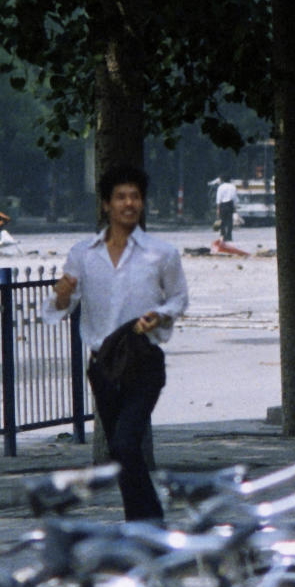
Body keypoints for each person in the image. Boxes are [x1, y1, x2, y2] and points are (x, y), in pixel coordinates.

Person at [43, 166, 189, 522]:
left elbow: (179, 299)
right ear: (106, 204)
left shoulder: (162, 253)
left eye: (135, 196)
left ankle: (151, 523)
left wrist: (160, 315)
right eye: (121, 197)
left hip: (144, 362)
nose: (129, 203)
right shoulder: (83, 254)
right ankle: (139, 525)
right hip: (103, 366)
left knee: (126, 442)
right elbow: (60, 308)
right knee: (120, 453)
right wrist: (61, 296)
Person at [215, 174, 238, 242]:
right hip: (230, 204)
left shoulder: (220, 187)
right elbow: (235, 198)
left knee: (222, 221)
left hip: (223, 205)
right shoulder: (233, 187)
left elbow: (218, 198)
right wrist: (235, 207)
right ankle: (229, 236)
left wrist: (218, 208)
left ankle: (223, 235)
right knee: (230, 221)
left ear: (222, 180)